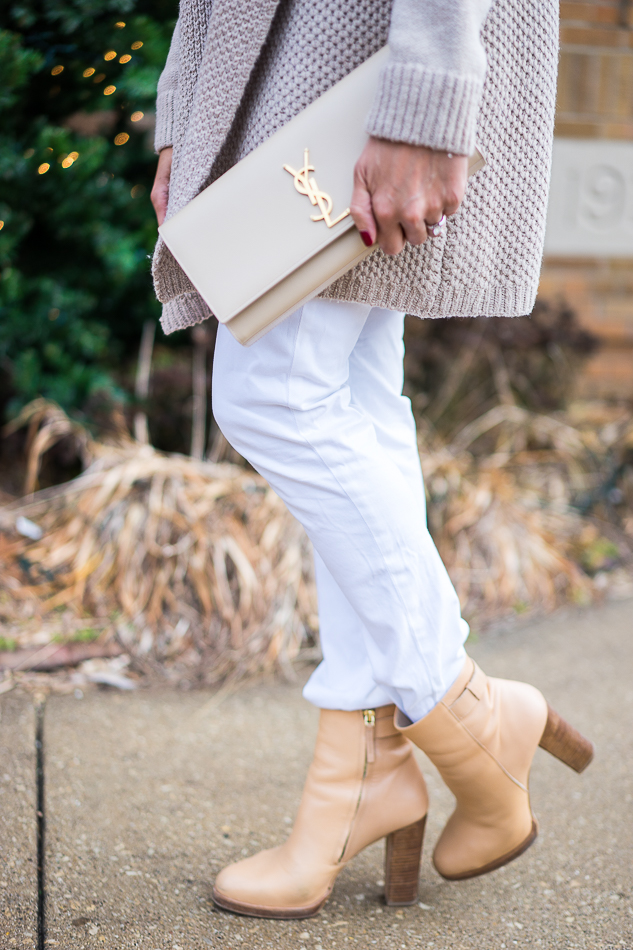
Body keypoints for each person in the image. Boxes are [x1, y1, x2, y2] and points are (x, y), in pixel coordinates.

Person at [150, 0, 593, 920]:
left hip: (365, 56)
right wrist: (184, 116)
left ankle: (460, 706)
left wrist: (424, 100)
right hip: (305, 66)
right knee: (350, 398)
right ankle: (363, 769)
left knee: (273, 392)